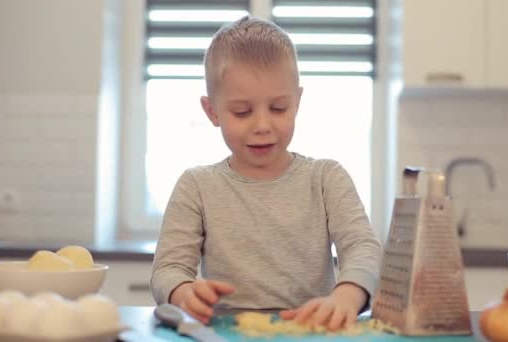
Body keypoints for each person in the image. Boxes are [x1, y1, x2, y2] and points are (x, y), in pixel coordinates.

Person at [150, 15, 382, 331]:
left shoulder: (326, 178)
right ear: (212, 111)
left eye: (278, 108)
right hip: (225, 334)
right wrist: (182, 293)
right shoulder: (197, 186)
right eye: (242, 112)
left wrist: (347, 295)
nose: (262, 126)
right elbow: (168, 268)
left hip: (312, 332)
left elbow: (364, 249)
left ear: (297, 103)